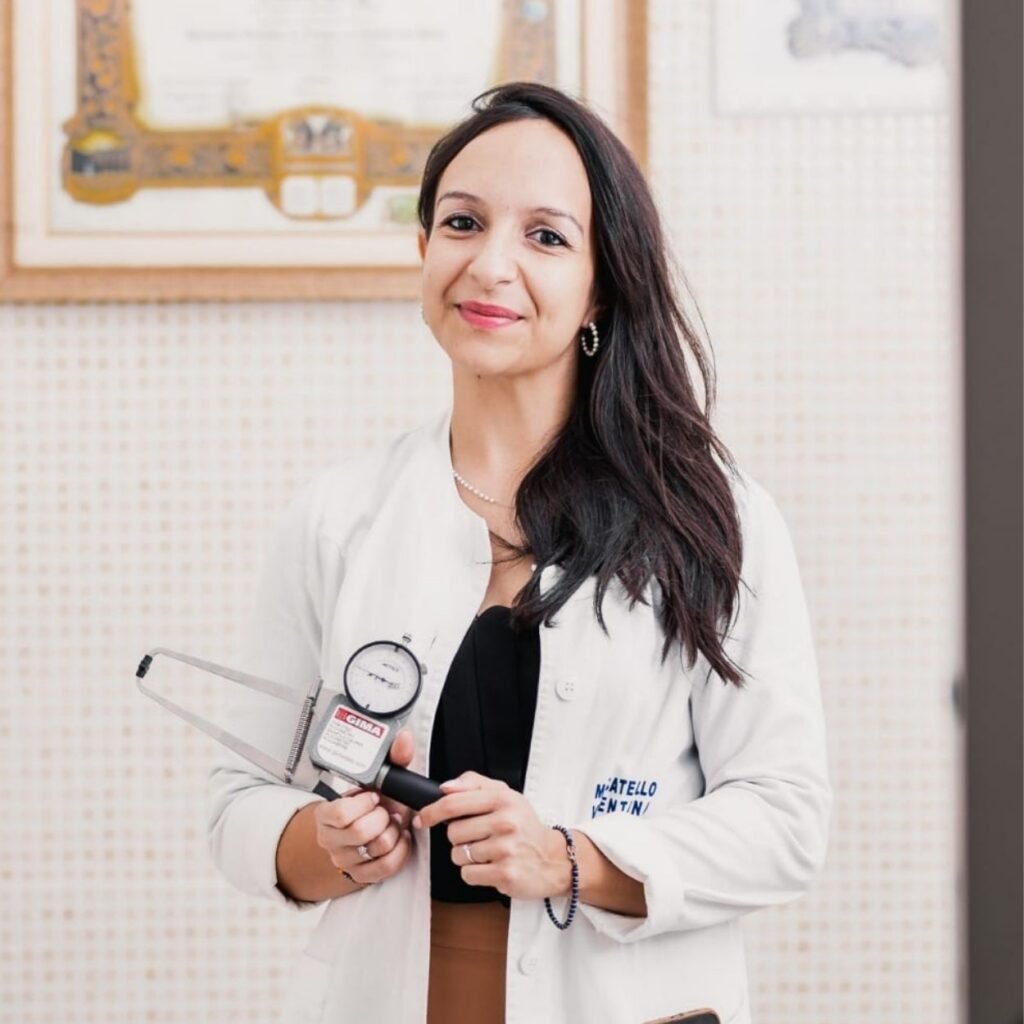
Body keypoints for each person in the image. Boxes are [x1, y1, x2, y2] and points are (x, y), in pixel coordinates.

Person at [207, 81, 831, 1024]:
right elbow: (239, 801)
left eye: (545, 236)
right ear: (424, 250)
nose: (490, 265)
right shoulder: (338, 518)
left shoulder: (712, 519)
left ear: (602, 285)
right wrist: (325, 843)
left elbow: (786, 818)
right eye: (462, 223)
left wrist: (571, 859)